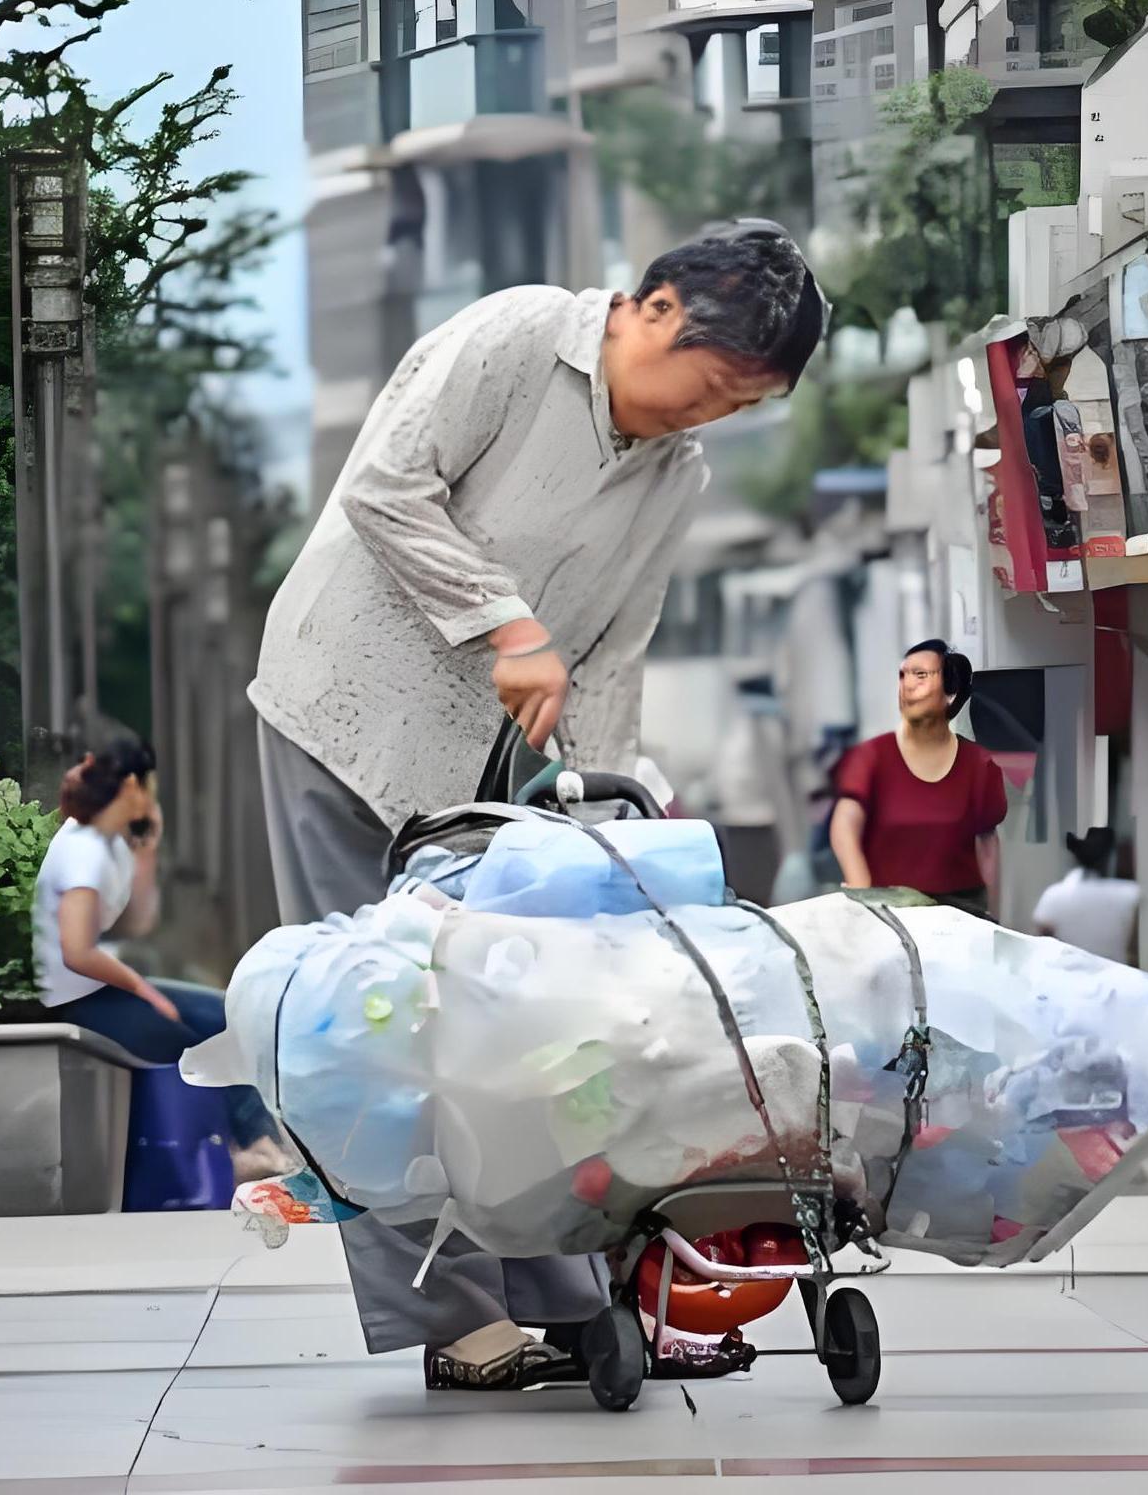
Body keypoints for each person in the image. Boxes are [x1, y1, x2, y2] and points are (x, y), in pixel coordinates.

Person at [247, 225, 828, 1387]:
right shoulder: (514, 335)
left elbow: (614, 649)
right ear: (653, 309)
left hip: (485, 780)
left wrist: (607, 823)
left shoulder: (677, 475)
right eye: (708, 387)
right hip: (345, 724)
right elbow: (383, 487)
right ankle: (455, 1321)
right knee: (371, 1038)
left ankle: (569, 1296)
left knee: (524, 1035)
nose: (704, 418)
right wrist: (503, 622)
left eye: (735, 407)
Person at [33, 740, 288, 1183]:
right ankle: (253, 1147)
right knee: (228, 1022)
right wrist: (143, 989)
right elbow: (77, 952)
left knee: (232, 1009)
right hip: (78, 1004)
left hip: (99, 991)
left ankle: (255, 1145)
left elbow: (134, 924)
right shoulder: (82, 850)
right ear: (133, 785)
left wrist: (146, 853)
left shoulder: (108, 843)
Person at [830, 640, 1007, 916]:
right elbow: (844, 825)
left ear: (949, 694)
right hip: (889, 913)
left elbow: (987, 844)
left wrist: (994, 917)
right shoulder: (873, 757)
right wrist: (861, 888)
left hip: (959, 914)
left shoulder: (978, 765)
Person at [1033, 827, 1139, 964]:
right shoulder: (1129, 894)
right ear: (1111, 858)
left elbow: (1042, 938)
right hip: (1113, 977)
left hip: (1067, 974)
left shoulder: (1054, 894)